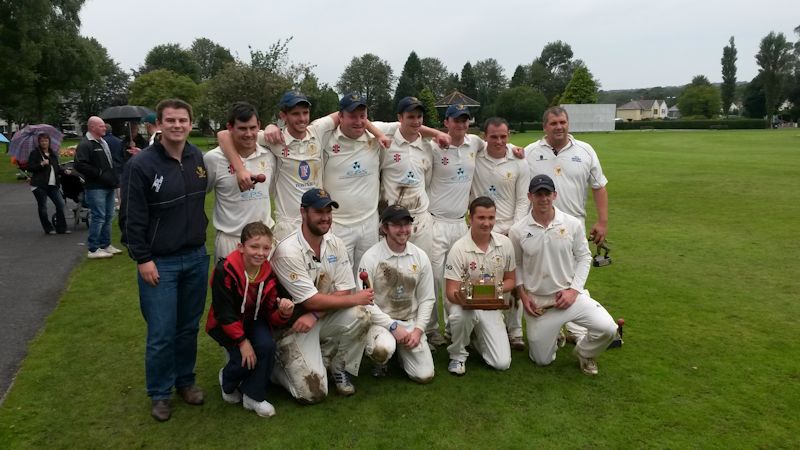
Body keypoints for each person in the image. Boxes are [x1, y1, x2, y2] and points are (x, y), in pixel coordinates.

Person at [120, 99, 210, 421]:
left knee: (187, 328)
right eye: (170, 120)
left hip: (196, 258)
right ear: (157, 124)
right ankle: (159, 393)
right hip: (161, 263)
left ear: (190, 122)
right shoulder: (141, 165)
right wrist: (142, 259)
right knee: (161, 332)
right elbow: (130, 218)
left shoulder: (196, 157)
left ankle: (185, 382)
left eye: (182, 120)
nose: (177, 125)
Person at [269, 188, 373, 403]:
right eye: (318, 212)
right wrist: (355, 298)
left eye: (328, 211)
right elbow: (311, 300)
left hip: (315, 318)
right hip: (291, 327)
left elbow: (344, 288)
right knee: (313, 394)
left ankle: (338, 365)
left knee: (362, 315)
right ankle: (275, 367)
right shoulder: (288, 251)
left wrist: (315, 315)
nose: (325, 217)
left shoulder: (335, 242)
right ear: (303, 213)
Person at [508, 174, 617, 375]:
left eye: (547, 193)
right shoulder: (518, 230)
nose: (543, 198)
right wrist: (524, 296)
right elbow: (518, 264)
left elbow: (584, 258)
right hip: (539, 303)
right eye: (538, 194)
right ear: (530, 196)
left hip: (570, 296)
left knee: (609, 329)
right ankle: (555, 333)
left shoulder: (572, 224)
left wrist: (573, 291)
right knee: (542, 361)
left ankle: (585, 353)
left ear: (555, 195)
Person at [522, 106, 610, 342]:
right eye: (553, 123)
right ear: (545, 127)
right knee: (544, 278)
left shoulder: (585, 150)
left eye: (562, 122)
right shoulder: (530, 152)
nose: (559, 127)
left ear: (568, 123)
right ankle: (553, 326)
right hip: (540, 226)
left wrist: (602, 222)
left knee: (573, 280)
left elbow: (599, 186)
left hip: (574, 226)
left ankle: (575, 328)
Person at [206, 222, 294, 417]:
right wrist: (242, 341)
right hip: (224, 323)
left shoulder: (269, 272)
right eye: (254, 246)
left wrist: (282, 313)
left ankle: (253, 396)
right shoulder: (225, 270)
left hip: (254, 319)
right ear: (241, 247)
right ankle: (227, 380)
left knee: (267, 346)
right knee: (243, 357)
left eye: (266, 248)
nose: (260, 253)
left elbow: (270, 310)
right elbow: (224, 312)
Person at [357, 205, 435, 382]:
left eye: (407, 224)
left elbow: (427, 298)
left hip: (410, 323)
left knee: (424, 376)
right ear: (385, 228)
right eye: (397, 225)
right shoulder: (371, 257)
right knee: (381, 350)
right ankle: (381, 361)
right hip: (382, 323)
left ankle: (402, 354)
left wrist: (418, 330)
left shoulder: (420, 256)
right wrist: (392, 326)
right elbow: (365, 302)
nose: (403, 230)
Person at [425, 104, 481, 347]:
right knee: (435, 278)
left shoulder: (476, 143)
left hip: (461, 224)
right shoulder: (434, 147)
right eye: (456, 120)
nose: (461, 125)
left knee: (460, 277)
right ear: (446, 122)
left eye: (465, 120)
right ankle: (431, 329)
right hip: (435, 222)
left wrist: (515, 150)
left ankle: (454, 327)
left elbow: (499, 147)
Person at [472, 117, 530, 350]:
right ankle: (479, 328)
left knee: (513, 281)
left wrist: (513, 231)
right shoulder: (475, 157)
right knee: (481, 279)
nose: (499, 141)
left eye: (504, 136)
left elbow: (523, 200)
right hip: (482, 230)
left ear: (509, 135)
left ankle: (515, 331)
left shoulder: (519, 161)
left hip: (509, 230)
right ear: (484, 137)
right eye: (494, 136)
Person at [444, 197, 515, 375]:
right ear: (470, 218)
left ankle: (474, 336)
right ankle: (457, 355)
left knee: (501, 363)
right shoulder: (459, 248)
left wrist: (488, 291)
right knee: (462, 316)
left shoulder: (505, 244)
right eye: (481, 218)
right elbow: (451, 291)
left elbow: (511, 281)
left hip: (490, 307)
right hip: (464, 306)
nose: (486, 223)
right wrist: (468, 296)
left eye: (490, 218)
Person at [204, 102, 276, 261]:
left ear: (259, 126)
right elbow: (200, 194)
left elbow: (268, 191)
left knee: (266, 286)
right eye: (242, 128)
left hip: (263, 241)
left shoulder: (269, 156)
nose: (249, 134)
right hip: (230, 239)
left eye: (252, 128)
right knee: (228, 286)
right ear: (230, 127)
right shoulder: (213, 159)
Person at [75, 116, 120, 259]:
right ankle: (93, 248)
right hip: (95, 187)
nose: (104, 128)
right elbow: (80, 164)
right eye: (101, 126)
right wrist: (99, 173)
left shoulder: (102, 142)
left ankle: (105, 244)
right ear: (92, 127)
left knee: (108, 216)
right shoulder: (86, 144)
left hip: (108, 184)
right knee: (99, 217)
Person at [27, 133, 71, 235]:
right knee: (43, 207)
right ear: (39, 142)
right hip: (39, 184)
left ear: (49, 142)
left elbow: (56, 167)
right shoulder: (35, 153)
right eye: (42, 141)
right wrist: (41, 164)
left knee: (60, 204)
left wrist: (64, 171)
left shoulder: (52, 154)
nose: (44, 143)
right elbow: (30, 167)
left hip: (52, 184)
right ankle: (48, 228)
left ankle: (61, 228)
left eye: (46, 141)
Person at [104, 123, 124, 209]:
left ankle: (109, 203)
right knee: (119, 185)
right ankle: (121, 203)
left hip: (108, 166)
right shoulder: (119, 141)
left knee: (108, 186)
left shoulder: (103, 141)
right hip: (119, 164)